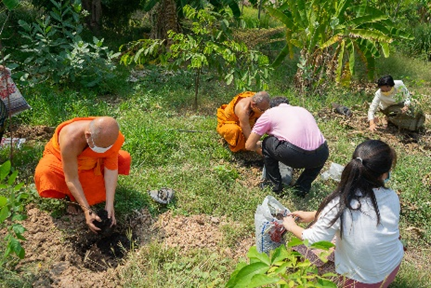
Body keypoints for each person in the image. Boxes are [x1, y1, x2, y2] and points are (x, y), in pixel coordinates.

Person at [283, 140, 404, 287]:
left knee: (305, 252)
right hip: (391, 269)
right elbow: (361, 218)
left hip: (362, 281)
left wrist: (291, 226)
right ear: (384, 174)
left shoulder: (341, 203)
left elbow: (314, 239)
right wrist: (315, 214)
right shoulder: (391, 196)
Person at [34, 117, 131, 233]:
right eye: (102, 147)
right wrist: (87, 210)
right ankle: (70, 198)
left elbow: (111, 168)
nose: (105, 150)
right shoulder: (70, 140)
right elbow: (71, 178)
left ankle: (82, 193)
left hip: (91, 163)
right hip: (64, 163)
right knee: (46, 172)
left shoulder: (111, 135)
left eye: (107, 147)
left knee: (124, 158)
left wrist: (110, 205)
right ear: (88, 136)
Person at [245, 96, 328, 196]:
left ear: (272, 107)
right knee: (318, 151)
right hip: (321, 154)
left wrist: (258, 146)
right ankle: (301, 189)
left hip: (293, 155)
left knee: (267, 142)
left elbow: (249, 145)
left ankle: (273, 186)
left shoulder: (270, 113)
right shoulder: (302, 110)